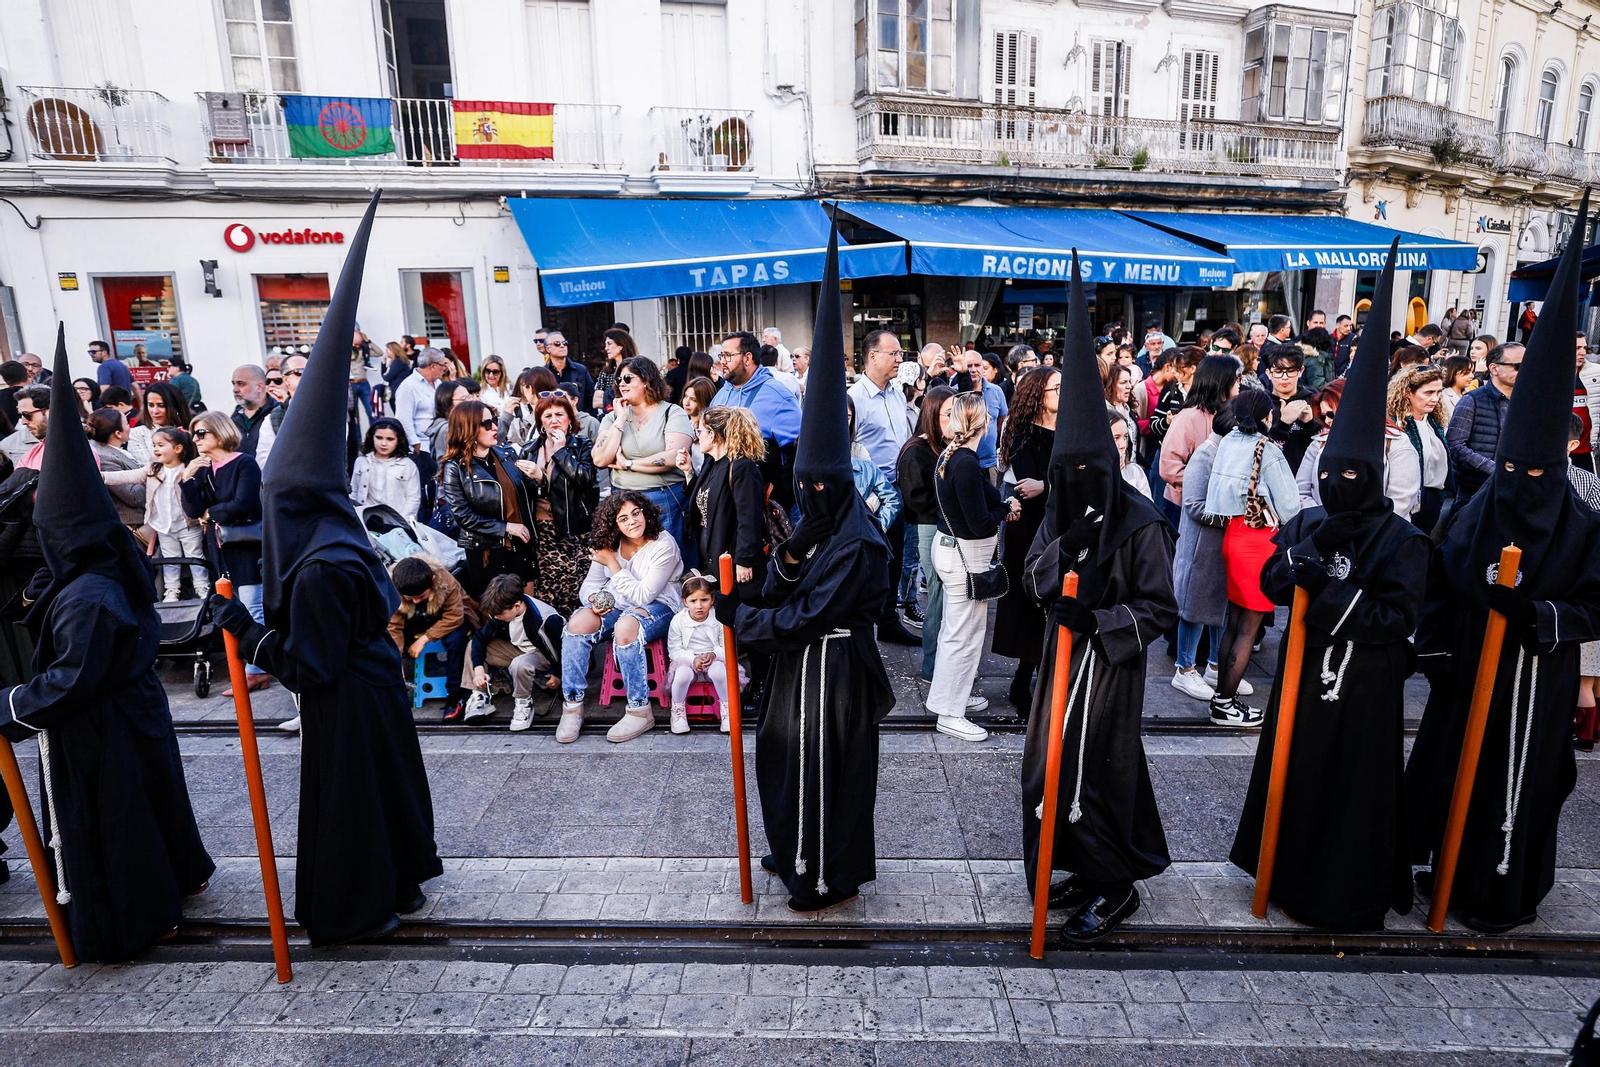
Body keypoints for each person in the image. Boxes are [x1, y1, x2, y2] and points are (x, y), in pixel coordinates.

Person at [209, 194, 442, 946]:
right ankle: (400, 879)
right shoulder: (340, 540)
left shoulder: (315, 568)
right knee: (381, 793)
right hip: (374, 688)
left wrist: (245, 630)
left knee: (354, 805)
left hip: (347, 699)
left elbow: (309, 665)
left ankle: (362, 906)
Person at [1407, 200, 1600, 933]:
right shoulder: (1479, 508)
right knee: (1453, 775)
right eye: (1509, 468)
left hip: (1536, 679)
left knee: (1520, 783)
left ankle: (1505, 887)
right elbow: (1441, 572)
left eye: (1533, 471)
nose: (1518, 481)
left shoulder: (1581, 522)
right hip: (1468, 671)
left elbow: (1595, 602)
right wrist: (1441, 648)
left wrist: (1541, 617)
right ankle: (1443, 873)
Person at [1232, 244, 1430, 932]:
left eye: (1356, 474)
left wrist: (1333, 593)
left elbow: (1397, 617)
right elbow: (1268, 578)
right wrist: (1305, 558)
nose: (1342, 485)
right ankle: (1283, 875)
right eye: (1334, 471)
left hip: (1365, 690)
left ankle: (1342, 893)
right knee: (1300, 776)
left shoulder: (1405, 542)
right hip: (1302, 676)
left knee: (1350, 791)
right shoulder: (1312, 519)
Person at [0, 330, 213, 963]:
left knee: (119, 823)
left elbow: (73, 679)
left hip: (102, 730)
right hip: (128, 714)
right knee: (150, 804)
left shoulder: (91, 596)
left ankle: (138, 916)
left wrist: (12, 704)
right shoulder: (97, 576)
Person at [719, 225, 894, 913]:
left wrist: (749, 618)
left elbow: (812, 612)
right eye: (805, 484)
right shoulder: (814, 521)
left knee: (828, 771)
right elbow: (786, 580)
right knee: (784, 759)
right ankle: (790, 840)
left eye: (823, 486)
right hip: (798, 670)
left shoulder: (858, 539)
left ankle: (822, 872)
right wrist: (783, 556)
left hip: (838, 673)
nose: (811, 495)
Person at [1021, 255, 1176, 942]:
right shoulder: (1061, 507)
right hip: (1060, 663)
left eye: (1089, 472)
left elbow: (1158, 609)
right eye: (1067, 472)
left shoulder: (1141, 519)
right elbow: (1030, 576)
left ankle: (1116, 883)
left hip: (1109, 672)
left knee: (1100, 773)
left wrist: (1101, 619)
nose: (1077, 481)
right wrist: (1062, 553)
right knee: (1050, 769)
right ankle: (1077, 862)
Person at [926, 392, 1020, 742]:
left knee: (960, 631)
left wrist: (1001, 503)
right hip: (964, 555)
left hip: (956, 551)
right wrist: (1005, 509)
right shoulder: (964, 462)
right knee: (962, 636)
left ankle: (954, 698)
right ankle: (950, 713)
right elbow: (981, 522)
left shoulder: (953, 456)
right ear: (981, 423)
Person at [1205, 390, 1302, 726]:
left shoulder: (1228, 442)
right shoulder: (1268, 449)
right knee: (1248, 628)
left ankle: (1222, 698)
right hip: (1259, 540)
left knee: (1233, 623)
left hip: (1233, 534)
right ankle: (1225, 704)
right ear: (1267, 416)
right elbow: (1291, 507)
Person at [557, 491, 683, 743]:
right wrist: (594, 600)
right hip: (618, 604)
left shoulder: (663, 544)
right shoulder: (610, 543)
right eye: (623, 518)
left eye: (636, 513)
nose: (632, 522)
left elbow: (644, 595)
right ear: (613, 524)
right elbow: (589, 587)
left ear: (645, 512)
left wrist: (613, 565)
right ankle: (572, 706)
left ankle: (639, 710)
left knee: (627, 626)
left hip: (661, 607)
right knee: (577, 624)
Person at [180, 410, 266, 695]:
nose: (196, 439)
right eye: (194, 434)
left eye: (201, 433)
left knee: (253, 605)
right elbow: (193, 511)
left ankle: (257, 669)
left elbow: (244, 503)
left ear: (220, 432)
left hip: (246, 546)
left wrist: (210, 513)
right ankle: (247, 665)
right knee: (234, 604)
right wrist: (186, 478)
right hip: (219, 548)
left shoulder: (245, 463)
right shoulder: (204, 470)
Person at [848, 329, 919, 645]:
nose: (899, 359)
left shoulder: (897, 393)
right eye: (894, 353)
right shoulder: (854, 398)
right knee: (866, 562)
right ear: (872, 356)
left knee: (895, 558)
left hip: (898, 488)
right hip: (869, 496)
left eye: (900, 353)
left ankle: (889, 621)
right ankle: (860, 628)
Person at [993, 366, 1057, 711]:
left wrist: (1048, 485)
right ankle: (1023, 679)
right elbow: (1027, 486)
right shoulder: (1021, 432)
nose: (1062, 394)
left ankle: (1047, 675)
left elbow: (1052, 482)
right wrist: (1051, 484)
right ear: (1038, 395)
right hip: (1029, 528)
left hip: (1060, 525)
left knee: (1054, 601)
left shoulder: (1070, 429)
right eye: (1055, 389)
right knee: (1029, 600)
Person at [1172, 406, 1240, 703]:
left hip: (1222, 545)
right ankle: (1184, 669)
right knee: (1194, 609)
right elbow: (1194, 505)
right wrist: (1231, 515)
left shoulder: (1224, 453)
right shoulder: (1205, 454)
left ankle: (1215, 665)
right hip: (1201, 546)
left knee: (1220, 607)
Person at [591, 356, 694, 548]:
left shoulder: (671, 412)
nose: (622, 384)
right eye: (619, 380)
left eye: (628, 378)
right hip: (623, 501)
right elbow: (600, 458)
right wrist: (620, 420)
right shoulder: (613, 417)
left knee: (669, 560)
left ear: (647, 380)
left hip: (663, 499)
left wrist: (628, 464)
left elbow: (674, 456)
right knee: (634, 562)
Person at [440, 399, 536, 598]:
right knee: (498, 611)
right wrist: (506, 527)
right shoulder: (455, 467)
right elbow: (463, 516)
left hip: (520, 543)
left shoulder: (506, 453)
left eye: (493, 420)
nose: (494, 427)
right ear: (469, 428)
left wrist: (539, 478)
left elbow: (527, 495)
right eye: (486, 423)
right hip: (486, 550)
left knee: (528, 606)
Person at [515, 389, 596, 615]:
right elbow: (524, 491)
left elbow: (585, 480)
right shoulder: (530, 449)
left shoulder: (581, 446)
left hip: (572, 530)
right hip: (543, 532)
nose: (554, 421)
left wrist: (561, 453)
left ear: (570, 418)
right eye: (548, 416)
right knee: (548, 592)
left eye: (559, 414)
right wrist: (537, 481)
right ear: (540, 420)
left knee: (575, 591)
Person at [107, 426, 209, 601]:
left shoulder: (188, 470)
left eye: (161, 445)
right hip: (163, 525)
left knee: (195, 556)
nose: (155, 449)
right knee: (170, 560)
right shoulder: (153, 469)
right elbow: (126, 476)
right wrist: (101, 476)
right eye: (154, 445)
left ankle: (202, 588)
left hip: (188, 524)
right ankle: (172, 590)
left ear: (178, 449)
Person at [897, 385, 956, 684]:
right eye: (948, 414)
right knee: (938, 595)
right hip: (931, 528)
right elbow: (917, 500)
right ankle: (932, 667)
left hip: (946, 526)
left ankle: (941, 665)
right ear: (932, 415)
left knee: (947, 597)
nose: (955, 420)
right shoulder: (916, 451)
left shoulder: (948, 446)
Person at [679, 405, 768, 601]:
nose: (697, 436)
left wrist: (744, 561)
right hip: (711, 554)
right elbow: (706, 500)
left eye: (700, 431)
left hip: (733, 559)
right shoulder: (711, 462)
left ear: (712, 435)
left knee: (736, 616)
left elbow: (750, 520)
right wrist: (688, 472)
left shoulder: (742, 468)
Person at [713, 330, 804, 510]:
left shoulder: (777, 396)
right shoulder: (722, 393)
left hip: (761, 505)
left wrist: (779, 501)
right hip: (725, 502)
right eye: (721, 355)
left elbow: (797, 451)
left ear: (747, 358)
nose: (722, 361)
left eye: (728, 355)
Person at [465, 573, 563, 731]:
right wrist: (478, 670)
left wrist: (559, 675)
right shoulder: (501, 613)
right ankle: (480, 695)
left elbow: (563, 649)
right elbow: (480, 638)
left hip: (545, 656)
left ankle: (523, 702)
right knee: (472, 646)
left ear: (517, 606)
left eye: (499, 615)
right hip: (518, 650)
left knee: (520, 663)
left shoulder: (545, 618)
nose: (496, 617)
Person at [1159, 355, 1241, 529]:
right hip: (1184, 504)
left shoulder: (1234, 413)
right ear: (1222, 381)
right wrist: (1206, 481)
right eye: (1237, 378)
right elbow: (1169, 467)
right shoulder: (1188, 417)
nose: (1240, 383)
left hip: (1221, 503)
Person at [388, 555, 471, 720]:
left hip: (447, 620)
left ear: (432, 580)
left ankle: (455, 695)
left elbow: (454, 617)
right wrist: (395, 662)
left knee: (456, 639)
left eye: (421, 596)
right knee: (385, 640)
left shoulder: (444, 580)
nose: (416, 601)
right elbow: (393, 626)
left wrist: (425, 639)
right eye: (410, 598)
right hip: (414, 621)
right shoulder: (394, 585)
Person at [1446, 341, 1522, 500]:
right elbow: (1455, 446)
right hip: (1474, 492)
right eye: (1517, 366)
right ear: (1494, 369)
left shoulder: (1527, 402)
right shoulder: (1472, 400)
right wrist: (1494, 468)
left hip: (1513, 490)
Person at [667, 573, 741, 734]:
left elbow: (727, 645)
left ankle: (728, 710)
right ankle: (678, 711)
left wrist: (714, 654)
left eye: (704, 600)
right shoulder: (678, 620)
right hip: (687, 662)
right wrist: (693, 659)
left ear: (712, 599)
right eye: (693, 601)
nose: (699, 606)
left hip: (715, 660)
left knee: (720, 672)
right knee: (682, 675)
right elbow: (674, 650)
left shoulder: (718, 618)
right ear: (685, 601)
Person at [1385, 366, 1450, 531]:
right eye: (1428, 393)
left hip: (1432, 498)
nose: (1435, 398)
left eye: (1438, 392)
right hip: (1403, 500)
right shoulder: (1395, 424)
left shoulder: (1433, 422)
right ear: (1408, 392)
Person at [1262, 345, 1322, 473]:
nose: (1285, 377)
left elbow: (1324, 444)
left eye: (1290, 371)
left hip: (1307, 477)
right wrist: (1283, 424)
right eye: (1278, 372)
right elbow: (1257, 448)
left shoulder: (1315, 400)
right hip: (1270, 475)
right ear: (1268, 373)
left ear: (1300, 372)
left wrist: (1310, 424)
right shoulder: (1260, 403)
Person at [350, 417, 422, 522]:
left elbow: (413, 499)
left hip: (397, 524)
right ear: (372, 437)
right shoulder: (361, 462)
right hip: (366, 522)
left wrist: (402, 523)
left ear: (398, 441)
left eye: (390, 439)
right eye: (379, 438)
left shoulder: (408, 465)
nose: (383, 444)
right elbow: (354, 493)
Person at [393, 347, 450, 452]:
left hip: (441, 443)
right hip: (423, 447)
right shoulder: (408, 386)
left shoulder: (438, 383)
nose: (445, 368)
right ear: (433, 366)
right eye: (443, 365)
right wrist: (415, 444)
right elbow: (403, 419)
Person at [128, 381, 192, 466]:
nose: (155, 411)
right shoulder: (137, 434)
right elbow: (147, 468)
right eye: (151, 405)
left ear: (175, 406)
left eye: (161, 405)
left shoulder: (191, 431)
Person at [228, 364, 277, 468]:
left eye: (241, 384)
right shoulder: (233, 419)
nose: (235, 389)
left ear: (259, 386)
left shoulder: (277, 415)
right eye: (234, 384)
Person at [544, 332, 596, 416]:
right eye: (557, 343)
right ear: (548, 349)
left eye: (565, 343)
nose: (562, 346)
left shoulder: (581, 370)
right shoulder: (544, 373)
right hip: (555, 419)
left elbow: (590, 397)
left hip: (579, 418)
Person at [1, 385, 48, 467]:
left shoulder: (74, 440)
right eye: (20, 415)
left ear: (48, 411)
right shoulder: (7, 445)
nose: (23, 422)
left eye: (27, 415)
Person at [1438, 353, 1475, 422]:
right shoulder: (1442, 397)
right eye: (1467, 372)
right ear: (1453, 372)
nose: (1472, 376)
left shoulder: (1470, 394)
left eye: (1472, 372)